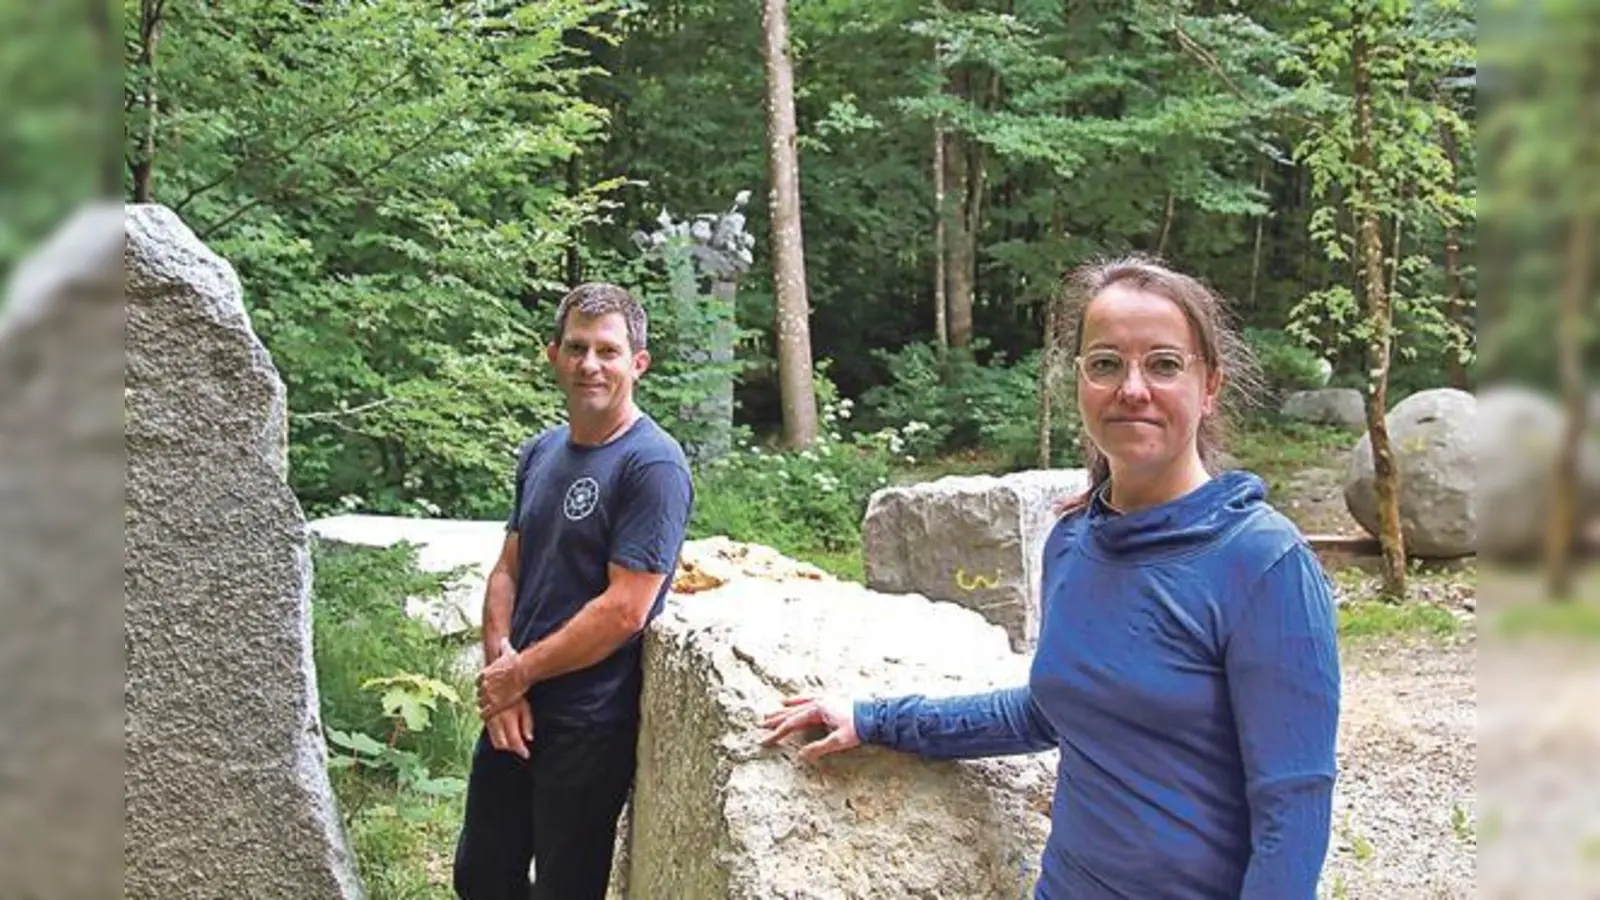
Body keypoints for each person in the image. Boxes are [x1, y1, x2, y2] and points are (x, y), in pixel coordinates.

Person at [761, 256, 1341, 899]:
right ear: (1079, 382)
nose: (1133, 388)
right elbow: (1055, 708)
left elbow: (1294, 812)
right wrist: (877, 719)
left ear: (1210, 389)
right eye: (1106, 363)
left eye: (1164, 364)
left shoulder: (1263, 562)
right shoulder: (1074, 538)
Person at [453, 282, 693, 900]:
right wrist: (501, 678)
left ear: (637, 363)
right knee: (481, 877)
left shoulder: (653, 466)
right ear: (554, 355)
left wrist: (517, 675)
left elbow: (625, 609)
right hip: (515, 710)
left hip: (588, 723)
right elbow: (508, 569)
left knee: (566, 888)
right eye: (578, 347)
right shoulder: (542, 451)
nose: (591, 364)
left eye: (608, 351)